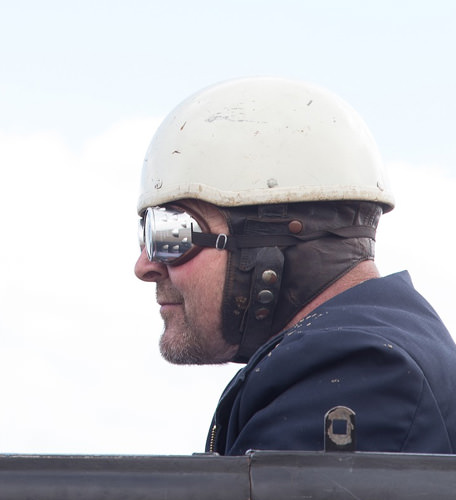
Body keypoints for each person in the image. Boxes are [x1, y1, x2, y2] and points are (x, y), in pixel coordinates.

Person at [134, 76, 456, 455]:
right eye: (147, 235)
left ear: (274, 241)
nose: (144, 265)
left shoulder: (359, 370)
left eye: (173, 234)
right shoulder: (370, 351)